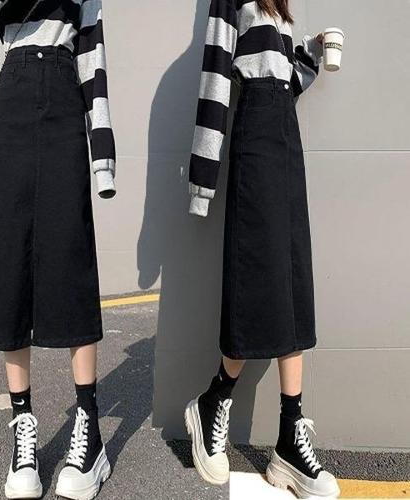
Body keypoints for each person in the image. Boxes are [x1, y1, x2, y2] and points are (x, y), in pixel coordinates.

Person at [184, 0, 340, 497]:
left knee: (293, 284)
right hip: (253, 136)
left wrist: (312, 51)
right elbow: (215, 78)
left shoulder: (279, 11)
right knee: (259, 283)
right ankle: (213, 399)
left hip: (286, 140)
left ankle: (289, 439)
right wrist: (202, 181)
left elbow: (287, 80)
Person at [0, 1, 116, 498]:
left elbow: (93, 53)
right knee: (8, 259)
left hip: (64, 90)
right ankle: (23, 430)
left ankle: (89, 428)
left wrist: (103, 156)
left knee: (71, 258)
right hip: (12, 91)